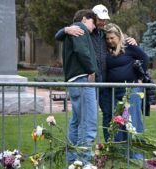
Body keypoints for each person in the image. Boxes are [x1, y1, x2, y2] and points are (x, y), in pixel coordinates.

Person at [55, 4, 137, 142]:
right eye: (100, 19)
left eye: (105, 19)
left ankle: (109, 145)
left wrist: (132, 40)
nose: (103, 22)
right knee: (84, 118)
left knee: (108, 115)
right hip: (89, 80)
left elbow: (118, 39)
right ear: (92, 18)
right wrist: (65, 29)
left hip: (103, 82)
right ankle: (81, 152)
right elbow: (59, 36)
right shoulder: (83, 31)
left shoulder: (104, 34)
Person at [60, 9, 97, 165]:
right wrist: (91, 69)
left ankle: (73, 161)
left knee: (76, 122)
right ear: (85, 19)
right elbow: (82, 51)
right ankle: (84, 162)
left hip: (74, 81)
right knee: (88, 123)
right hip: (81, 80)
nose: (94, 27)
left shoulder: (72, 30)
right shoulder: (80, 28)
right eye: (93, 22)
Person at [104, 23, 149, 143]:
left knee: (133, 119)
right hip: (115, 91)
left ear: (119, 36)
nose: (109, 41)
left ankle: (136, 152)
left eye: (112, 38)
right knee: (118, 120)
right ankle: (121, 150)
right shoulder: (106, 49)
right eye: (107, 38)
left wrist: (140, 76)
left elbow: (145, 58)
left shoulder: (129, 46)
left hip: (131, 90)